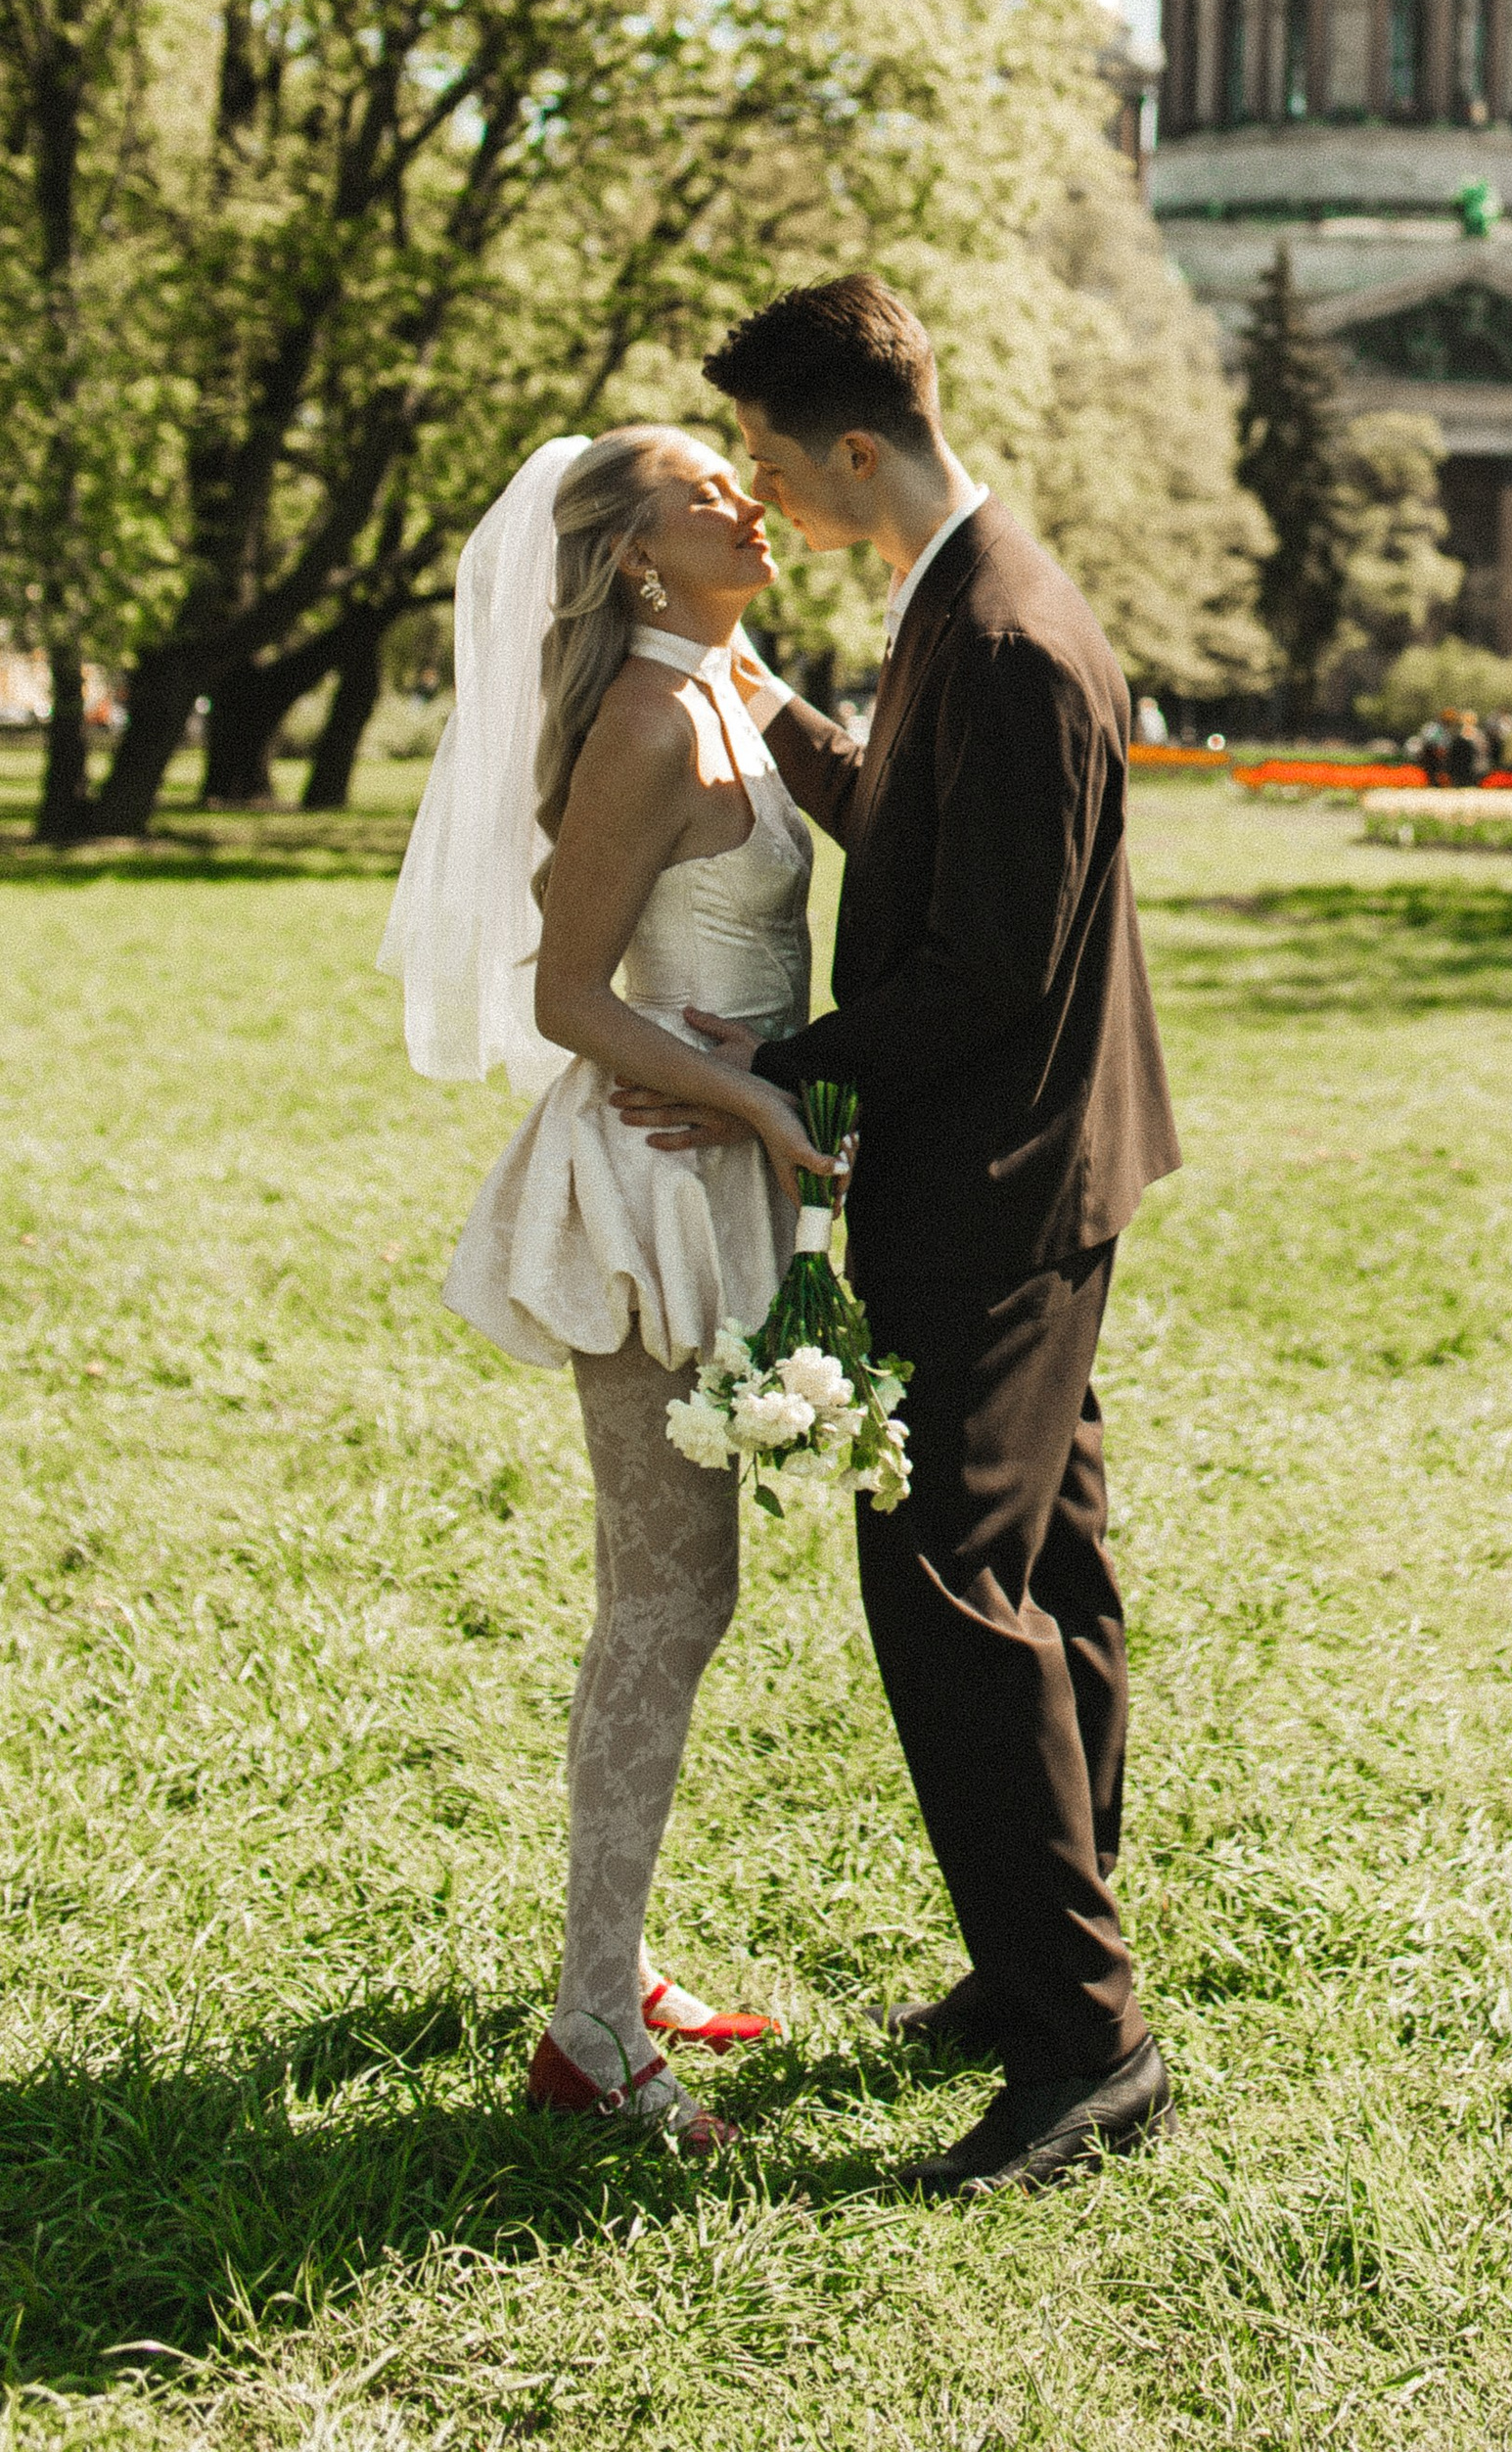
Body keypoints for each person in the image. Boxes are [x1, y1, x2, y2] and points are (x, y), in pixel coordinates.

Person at [619, 274, 1179, 2198]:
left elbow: (982, 967)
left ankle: (1086, 2045)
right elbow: (924, 830)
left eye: (774, 457)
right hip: (1040, 1159)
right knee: (1052, 1568)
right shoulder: (961, 591)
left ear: (854, 444)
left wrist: (767, 1064)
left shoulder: (1006, 629)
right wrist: (775, 714)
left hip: (1001, 1176)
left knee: (944, 1578)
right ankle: (1038, 1967)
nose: (763, 493)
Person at [384, 430, 839, 2152]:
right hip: (651, 1186)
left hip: (726, 1155)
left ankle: (614, 1956)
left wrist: (766, 1081)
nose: (750, 497)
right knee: (663, 1602)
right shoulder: (652, 717)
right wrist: (749, 1097)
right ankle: (591, 2030)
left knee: (683, 1596)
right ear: (636, 556)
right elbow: (575, 994)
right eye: (709, 484)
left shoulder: (730, 677)